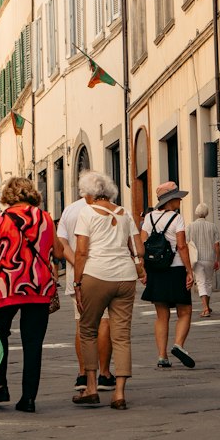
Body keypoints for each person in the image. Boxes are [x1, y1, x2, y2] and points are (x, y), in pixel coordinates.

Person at [0, 176, 57, 413]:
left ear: (8, 196)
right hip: (38, 285)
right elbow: (55, 250)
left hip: (7, 285)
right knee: (33, 344)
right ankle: (28, 398)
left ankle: (0, 386)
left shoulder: (1, 219)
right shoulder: (46, 218)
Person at [71, 171, 145, 410]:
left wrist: (77, 282)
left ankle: (91, 387)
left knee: (88, 330)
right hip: (125, 276)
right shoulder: (124, 213)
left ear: (90, 193)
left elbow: (81, 252)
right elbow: (139, 248)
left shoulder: (87, 212)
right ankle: (119, 394)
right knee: (121, 335)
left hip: (97, 274)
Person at [57, 172, 115, 390]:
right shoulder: (110, 209)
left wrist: (74, 262)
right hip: (104, 271)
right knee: (104, 321)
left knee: (81, 323)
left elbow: (61, 241)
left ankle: (82, 374)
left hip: (76, 274)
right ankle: (105, 373)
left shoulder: (70, 210)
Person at [141, 182, 196, 368]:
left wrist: (143, 270)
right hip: (176, 268)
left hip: (156, 270)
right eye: (178, 197)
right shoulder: (177, 218)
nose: (180, 199)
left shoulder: (148, 218)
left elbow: (142, 244)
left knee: (161, 315)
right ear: (170, 200)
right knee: (185, 310)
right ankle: (178, 345)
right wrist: (189, 270)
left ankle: (162, 356)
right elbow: (181, 246)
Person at [186, 202, 220, 317]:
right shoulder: (213, 226)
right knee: (209, 282)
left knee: (201, 282)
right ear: (207, 213)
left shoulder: (190, 226)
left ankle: (205, 308)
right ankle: (208, 306)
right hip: (210, 258)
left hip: (196, 258)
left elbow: (187, 243)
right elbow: (217, 245)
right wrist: (218, 260)